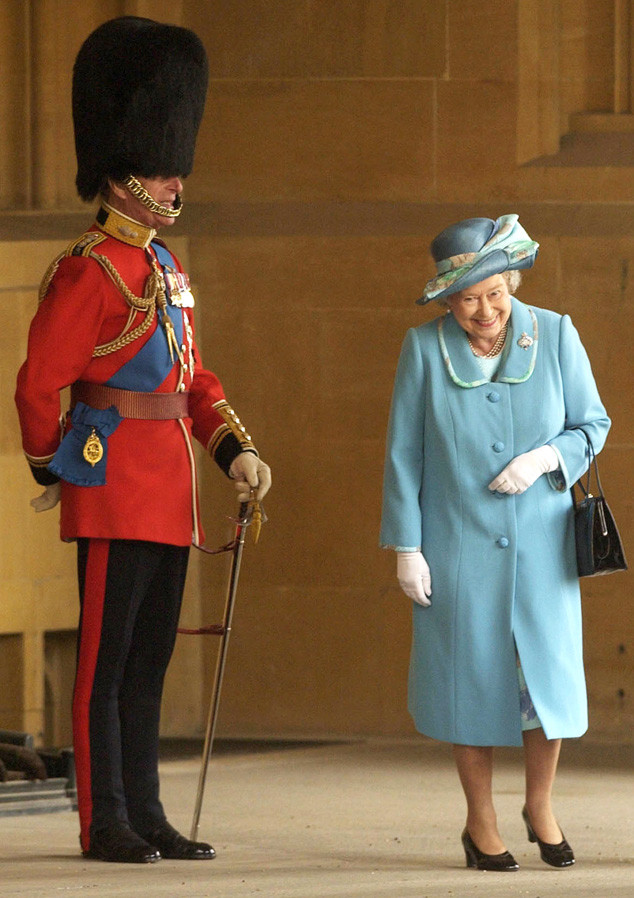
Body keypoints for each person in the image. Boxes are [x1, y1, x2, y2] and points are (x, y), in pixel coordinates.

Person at [15, 17, 271, 864]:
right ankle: (104, 819)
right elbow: (37, 381)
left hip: (170, 494)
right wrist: (52, 461)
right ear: (124, 175)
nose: (175, 179)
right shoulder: (91, 269)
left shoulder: (167, 272)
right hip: (111, 484)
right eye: (163, 167)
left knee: (150, 661)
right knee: (104, 664)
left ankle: (147, 812)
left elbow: (195, 383)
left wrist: (234, 453)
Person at [380, 214, 610, 871]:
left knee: (546, 688)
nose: (484, 310)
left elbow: (593, 424)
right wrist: (406, 545)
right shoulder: (423, 348)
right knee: (468, 683)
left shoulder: (557, 333)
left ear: (511, 281)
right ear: (448, 300)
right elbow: (403, 453)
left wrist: (543, 460)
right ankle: (480, 824)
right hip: (455, 545)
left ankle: (540, 806)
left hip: (541, 545)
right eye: (468, 298)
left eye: (496, 293)